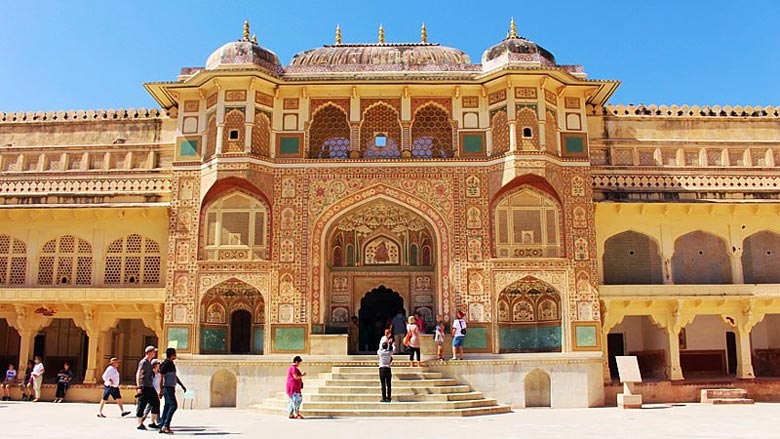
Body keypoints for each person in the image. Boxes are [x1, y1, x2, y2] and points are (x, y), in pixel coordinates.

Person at [158, 348, 187, 435]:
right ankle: (166, 425)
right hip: (167, 388)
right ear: (172, 355)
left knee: (167, 406)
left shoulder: (171, 364)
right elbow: (161, 377)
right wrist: (161, 390)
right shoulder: (165, 364)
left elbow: (174, 376)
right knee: (173, 405)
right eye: (175, 354)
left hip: (171, 387)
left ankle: (162, 425)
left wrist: (181, 385)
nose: (176, 355)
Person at [135, 346, 160, 431]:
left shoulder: (149, 363)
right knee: (142, 404)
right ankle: (139, 423)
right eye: (153, 352)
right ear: (149, 352)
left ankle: (152, 422)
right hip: (144, 386)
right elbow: (139, 373)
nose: (155, 353)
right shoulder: (143, 362)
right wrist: (138, 386)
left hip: (150, 386)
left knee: (156, 402)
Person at [141, 359, 162, 428]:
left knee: (156, 406)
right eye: (158, 364)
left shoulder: (159, 373)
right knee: (149, 407)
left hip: (157, 391)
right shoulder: (151, 373)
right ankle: (142, 420)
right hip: (152, 391)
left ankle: (158, 421)